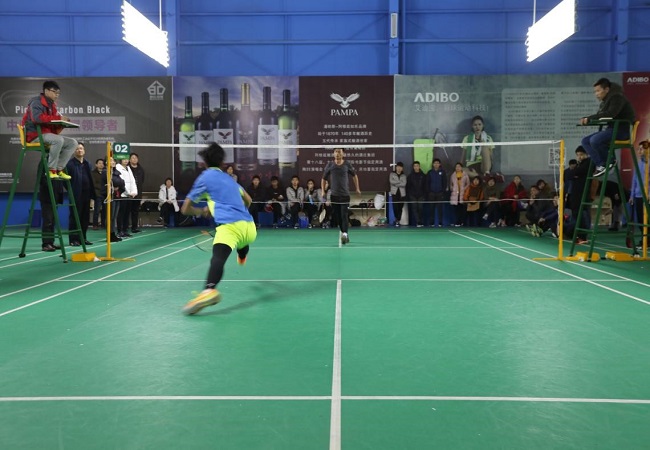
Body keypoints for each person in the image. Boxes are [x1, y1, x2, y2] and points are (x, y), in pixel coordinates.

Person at [181, 143, 257, 315]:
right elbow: (249, 200)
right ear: (222, 163)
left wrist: (201, 211)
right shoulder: (230, 179)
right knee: (241, 241)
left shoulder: (205, 177)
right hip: (250, 228)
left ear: (205, 163)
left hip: (230, 228)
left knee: (218, 258)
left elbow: (185, 208)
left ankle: (209, 289)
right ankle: (242, 255)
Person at [579, 77, 636, 177]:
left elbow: (611, 114)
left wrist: (590, 118)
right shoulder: (606, 101)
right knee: (585, 141)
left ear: (606, 89)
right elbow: (601, 115)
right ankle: (601, 164)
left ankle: (610, 161)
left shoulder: (617, 97)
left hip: (622, 131)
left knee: (595, 140)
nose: (596, 94)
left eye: (598, 91)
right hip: (612, 129)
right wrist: (589, 119)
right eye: (595, 91)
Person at [21, 80, 78, 180]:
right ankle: (51, 170)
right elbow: (37, 119)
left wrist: (63, 123)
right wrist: (59, 119)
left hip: (46, 134)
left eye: (58, 93)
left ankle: (59, 169)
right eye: (54, 92)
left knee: (72, 143)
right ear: (46, 91)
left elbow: (52, 122)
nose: (57, 95)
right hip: (34, 135)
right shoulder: (36, 102)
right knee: (58, 140)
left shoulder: (52, 105)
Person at [321, 148, 361, 245]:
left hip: (345, 195)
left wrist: (357, 188)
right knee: (337, 216)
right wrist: (323, 191)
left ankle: (345, 234)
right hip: (334, 195)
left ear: (343, 154)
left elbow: (354, 175)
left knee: (344, 215)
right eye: (336, 151)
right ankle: (344, 233)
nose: (337, 153)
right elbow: (323, 178)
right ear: (333, 153)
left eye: (339, 152)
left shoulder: (347, 164)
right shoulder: (330, 165)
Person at [65, 142, 94, 246]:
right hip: (76, 195)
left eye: (81, 148)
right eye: (77, 149)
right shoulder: (70, 164)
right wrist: (72, 190)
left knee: (85, 218)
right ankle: (73, 239)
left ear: (84, 151)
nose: (79, 150)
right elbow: (65, 181)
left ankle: (83, 238)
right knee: (75, 217)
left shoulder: (88, 164)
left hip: (87, 195)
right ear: (74, 151)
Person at [37, 161, 64, 252]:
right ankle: (46, 244)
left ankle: (51, 242)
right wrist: (50, 186)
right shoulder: (44, 162)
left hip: (55, 196)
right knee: (48, 220)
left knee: (52, 221)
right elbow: (41, 178)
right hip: (47, 196)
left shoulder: (58, 163)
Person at [568, 146, 592, 244]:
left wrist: (575, 173)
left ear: (586, 154)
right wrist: (574, 173)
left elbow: (577, 172)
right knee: (576, 215)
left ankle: (583, 236)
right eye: (577, 155)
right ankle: (576, 235)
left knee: (582, 215)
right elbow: (569, 174)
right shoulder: (579, 164)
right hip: (575, 194)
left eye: (581, 155)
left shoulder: (589, 163)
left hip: (583, 193)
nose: (579, 157)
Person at [114, 158, 138, 238]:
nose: (126, 161)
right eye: (124, 159)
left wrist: (134, 192)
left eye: (127, 159)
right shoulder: (118, 167)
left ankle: (125, 230)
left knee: (127, 214)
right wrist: (128, 193)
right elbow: (121, 182)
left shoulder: (128, 168)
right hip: (122, 195)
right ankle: (120, 230)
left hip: (129, 196)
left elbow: (133, 181)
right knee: (121, 213)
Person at [629, 140, 648, 238]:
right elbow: (634, 180)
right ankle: (644, 239)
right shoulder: (639, 163)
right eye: (638, 149)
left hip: (647, 197)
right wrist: (632, 195)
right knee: (640, 220)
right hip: (638, 195)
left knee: (647, 220)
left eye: (641, 149)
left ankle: (647, 240)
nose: (639, 151)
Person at [426, 158, 447, 227]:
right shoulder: (430, 172)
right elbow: (427, 183)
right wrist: (429, 192)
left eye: (437, 163)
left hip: (440, 193)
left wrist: (442, 191)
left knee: (440, 209)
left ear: (439, 164)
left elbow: (444, 182)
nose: (436, 164)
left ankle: (440, 222)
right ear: (433, 164)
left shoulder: (442, 172)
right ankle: (431, 222)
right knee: (431, 209)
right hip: (431, 193)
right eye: (435, 163)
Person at [406, 160, 427, 227]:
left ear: (419, 167)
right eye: (415, 166)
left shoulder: (423, 175)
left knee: (420, 208)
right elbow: (408, 186)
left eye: (417, 166)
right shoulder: (410, 176)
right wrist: (410, 194)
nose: (416, 167)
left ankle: (420, 220)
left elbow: (425, 185)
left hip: (421, 195)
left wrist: (424, 194)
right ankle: (418, 222)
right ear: (413, 167)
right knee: (414, 208)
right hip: (412, 195)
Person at [108, 157, 125, 243]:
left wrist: (118, 186)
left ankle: (113, 233)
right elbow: (114, 182)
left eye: (114, 160)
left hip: (117, 196)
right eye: (111, 160)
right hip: (109, 198)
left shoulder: (116, 172)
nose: (113, 162)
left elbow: (122, 182)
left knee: (114, 217)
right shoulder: (106, 172)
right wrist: (115, 185)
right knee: (110, 217)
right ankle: (110, 234)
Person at [128, 153, 145, 233]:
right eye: (133, 158)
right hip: (128, 193)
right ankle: (124, 228)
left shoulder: (141, 169)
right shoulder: (127, 168)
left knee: (135, 211)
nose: (134, 159)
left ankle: (134, 227)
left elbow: (142, 180)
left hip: (138, 193)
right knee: (127, 211)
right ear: (130, 159)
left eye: (136, 158)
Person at [449, 162, 470, 227]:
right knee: (456, 210)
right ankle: (457, 222)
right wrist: (453, 189)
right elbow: (451, 184)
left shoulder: (465, 175)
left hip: (463, 194)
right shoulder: (453, 175)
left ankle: (462, 222)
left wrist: (464, 189)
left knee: (463, 209)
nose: (457, 168)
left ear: (461, 168)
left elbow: (468, 183)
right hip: (455, 195)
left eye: (459, 167)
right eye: (456, 167)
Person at [389, 162, 407, 227]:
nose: (399, 168)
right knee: (395, 207)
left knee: (400, 208)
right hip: (394, 193)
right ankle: (396, 219)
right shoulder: (392, 174)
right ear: (396, 167)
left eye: (400, 167)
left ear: (402, 168)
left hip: (402, 194)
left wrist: (396, 183)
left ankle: (398, 220)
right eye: (398, 167)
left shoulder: (404, 175)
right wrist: (400, 182)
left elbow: (404, 184)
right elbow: (391, 181)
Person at [91, 158, 106, 230]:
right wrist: (103, 187)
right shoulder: (93, 173)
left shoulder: (106, 172)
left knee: (105, 210)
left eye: (102, 163)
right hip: (98, 194)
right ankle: (95, 225)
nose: (101, 165)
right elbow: (94, 184)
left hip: (105, 194)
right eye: (99, 163)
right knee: (97, 210)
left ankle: (103, 224)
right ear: (96, 165)